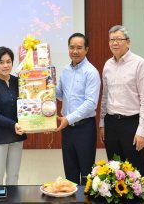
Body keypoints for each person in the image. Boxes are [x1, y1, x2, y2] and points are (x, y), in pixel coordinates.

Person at [99, 25, 144, 181]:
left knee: (136, 171)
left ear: (128, 42)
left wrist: (142, 130)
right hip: (111, 123)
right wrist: (102, 122)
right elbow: (105, 96)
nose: (115, 43)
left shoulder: (139, 63)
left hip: (131, 124)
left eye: (119, 39)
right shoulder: (107, 65)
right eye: (111, 40)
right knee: (115, 170)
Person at [55, 33, 101, 185]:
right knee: (70, 174)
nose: (75, 51)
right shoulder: (65, 70)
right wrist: (45, 85)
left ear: (86, 49)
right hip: (67, 130)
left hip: (84, 129)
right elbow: (60, 95)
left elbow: (91, 104)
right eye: (72, 47)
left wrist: (68, 119)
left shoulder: (91, 72)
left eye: (79, 48)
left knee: (87, 174)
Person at [0, 46, 27, 185]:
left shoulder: (17, 81)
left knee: (13, 176)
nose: (5, 65)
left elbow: (26, 103)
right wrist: (13, 124)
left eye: (8, 61)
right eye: (1, 62)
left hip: (16, 135)